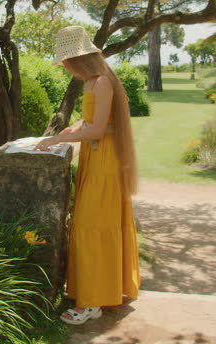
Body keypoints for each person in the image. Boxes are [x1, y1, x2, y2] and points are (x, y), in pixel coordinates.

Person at [35, 26, 140, 325]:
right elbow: (95, 122)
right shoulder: (92, 83)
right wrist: (73, 129)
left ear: (79, 59)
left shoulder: (102, 82)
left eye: (67, 61)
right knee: (92, 224)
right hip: (95, 159)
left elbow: (97, 129)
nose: (65, 66)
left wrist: (58, 139)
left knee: (91, 226)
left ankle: (92, 301)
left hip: (104, 162)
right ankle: (100, 291)